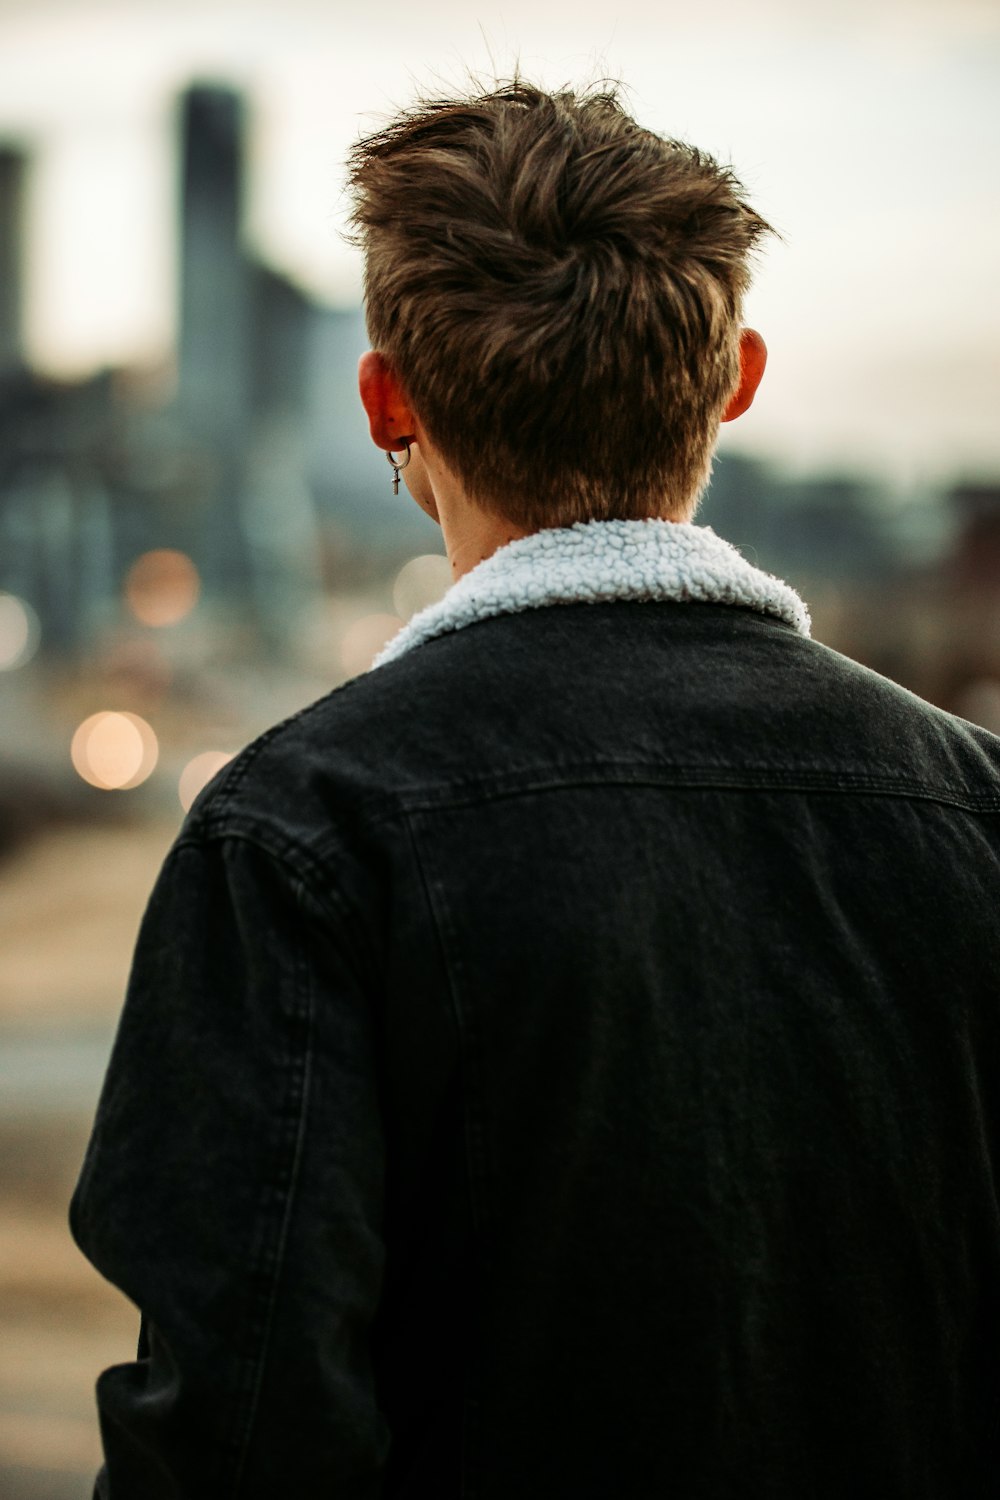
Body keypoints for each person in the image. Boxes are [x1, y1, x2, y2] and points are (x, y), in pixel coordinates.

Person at [71, 76, 1000, 1499]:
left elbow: (239, 1435)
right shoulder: (974, 810)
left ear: (388, 402)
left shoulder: (302, 833)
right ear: (737, 378)